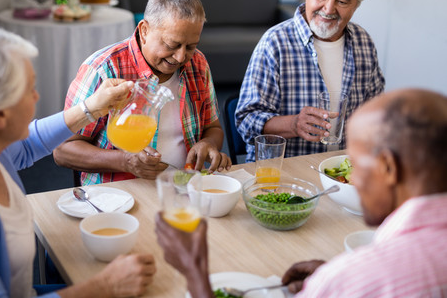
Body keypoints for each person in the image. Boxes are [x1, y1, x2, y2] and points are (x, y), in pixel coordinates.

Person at [0, 25, 156, 297]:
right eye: (30, 89)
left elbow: (28, 145)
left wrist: (93, 107)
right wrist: (105, 286)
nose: (37, 97)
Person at [156, 88, 447, 297]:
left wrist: (195, 272)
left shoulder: (361, 278)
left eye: (356, 163)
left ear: (388, 168)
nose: (352, 177)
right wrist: (333, 275)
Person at [54, 0, 231, 185]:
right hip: (116, 194)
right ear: (144, 30)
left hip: (182, 188)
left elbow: (213, 127)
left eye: (190, 46)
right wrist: (124, 161)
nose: (181, 56)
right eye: (171, 45)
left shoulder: (198, 64)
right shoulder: (104, 70)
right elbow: (62, 150)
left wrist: (208, 143)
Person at [235, 0, 385, 160]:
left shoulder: (364, 43)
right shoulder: (275, 43)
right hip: (284, 179)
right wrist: (294, 124)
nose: (328, 8)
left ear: (356, 5)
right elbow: (246, 122)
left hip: (344, 173)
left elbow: (375, 113)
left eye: (342, 1)